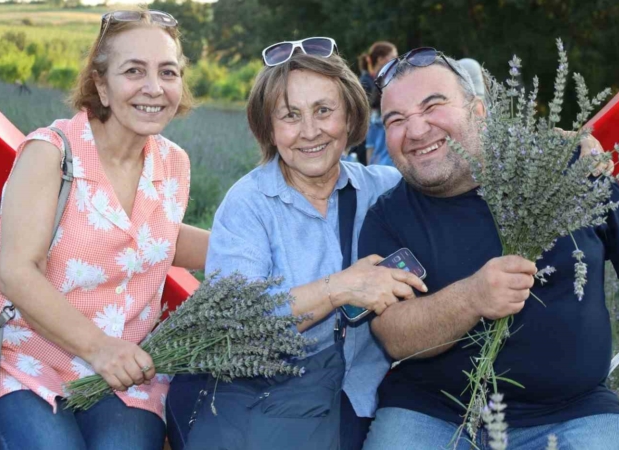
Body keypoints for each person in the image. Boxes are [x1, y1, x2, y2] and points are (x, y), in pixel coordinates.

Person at [358, 47, 619, 449]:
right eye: (396, 120)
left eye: (433, 106)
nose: (418, 130)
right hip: (431, 414)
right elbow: (393, 334)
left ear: (478, 111)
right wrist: (473, 297)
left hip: (574, 412)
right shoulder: (387, 218)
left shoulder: (563, 168)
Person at [167, 38, 426, 450]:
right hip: (264, 399)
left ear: (350, 115)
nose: (310, 132)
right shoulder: (248, 205)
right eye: (290, 116)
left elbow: (461, 181)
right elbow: (238, 329)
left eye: (324, 111)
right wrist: (339, 288)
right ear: (269, 127)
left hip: (356, 398)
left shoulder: (387, 189)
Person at [0, 9, 209, 450]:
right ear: (101, 84)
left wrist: (251, 246)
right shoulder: (52, 153)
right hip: (24, 359)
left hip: (124, 375)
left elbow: (154, 237)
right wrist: (99, 348)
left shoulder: (173, 163)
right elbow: (17, 272)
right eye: (133, 71)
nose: (154, 88)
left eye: (168, 72)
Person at [355, 41, 398, 166]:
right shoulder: (366, 83)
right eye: (393, 57)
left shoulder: (375, 80)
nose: (397, 61)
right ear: (380, 59)